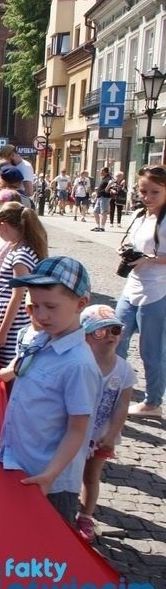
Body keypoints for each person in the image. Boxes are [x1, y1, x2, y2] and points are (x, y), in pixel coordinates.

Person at [0, 256, 100, 525]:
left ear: (80, 304)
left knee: (43, 553)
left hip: (49, 482)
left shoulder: (78, 364)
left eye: (51, 307)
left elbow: (77, 429)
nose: (41, 316)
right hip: (19, 462)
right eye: (35, 306)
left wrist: (51, 474)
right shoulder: (42, 340)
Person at [75, 304, 135, 542]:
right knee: (67, 471)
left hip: (102, 434)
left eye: (115, 330)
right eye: (100, 332)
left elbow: (122, 405)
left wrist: (111, 436)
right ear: (85, 336)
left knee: (91, 476)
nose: (109, 336)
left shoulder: (125, 370)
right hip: (73, 431)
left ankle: (86, 516)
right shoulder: (78, 363)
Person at [115, 165, 166, 417]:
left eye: (154, 192)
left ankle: (153, 403)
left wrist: (151, 259)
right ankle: (112, 390)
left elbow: (155, 254)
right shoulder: (139, 215)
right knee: (113, 339)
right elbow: (133, 242)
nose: (147, 197)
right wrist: (125, 248)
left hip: (157, 292)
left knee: (151, 351)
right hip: (132, 287)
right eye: (143, 191)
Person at [0, 202, 48, 370]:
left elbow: (18, 295)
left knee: (9, 368)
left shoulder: (21, 256)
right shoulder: (16, 248)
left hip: (13, 327)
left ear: (3, 226)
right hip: (6, 322)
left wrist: (3, 331)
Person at [92, 167, 112, 232]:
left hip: (105, 197)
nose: (100, 172)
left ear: (105, 172)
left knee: (103, 212)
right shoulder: (104, 178)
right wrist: (96, 197)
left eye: (101, 171)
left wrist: (107, 188)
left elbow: (112, 182)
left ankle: (102, 227)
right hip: (100, 197)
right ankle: (98, 226)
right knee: (95, 212)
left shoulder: (109, 177)